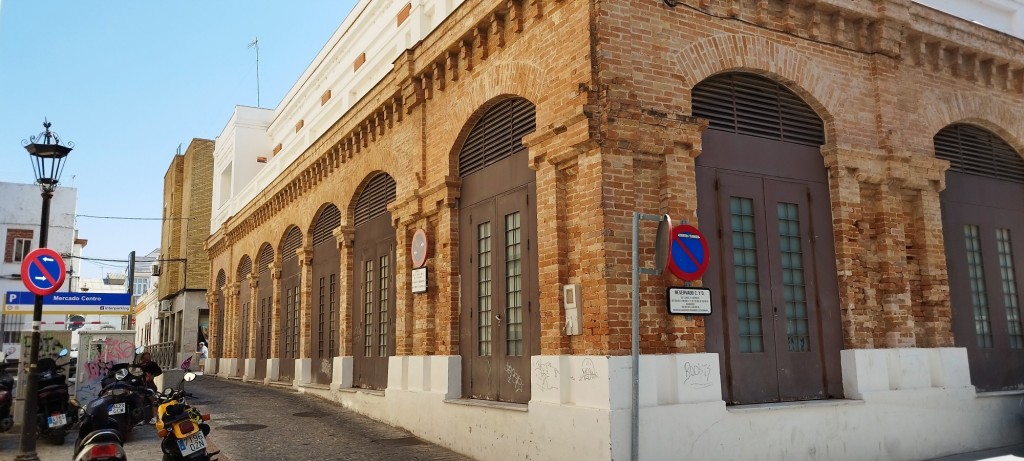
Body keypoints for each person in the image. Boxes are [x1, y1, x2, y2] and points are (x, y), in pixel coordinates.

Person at [136, 351, 162, 424]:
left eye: (148, 357)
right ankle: (141, 419)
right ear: (142, 358)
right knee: (140, 401)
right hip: (141, 385)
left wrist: (153, 375)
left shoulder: (152, 364)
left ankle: (155, 417)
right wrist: (142, 377)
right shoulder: (139, 366)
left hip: (150, 385)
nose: (147, 359)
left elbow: (159, 371)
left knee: (153, 400)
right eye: (145, 357)